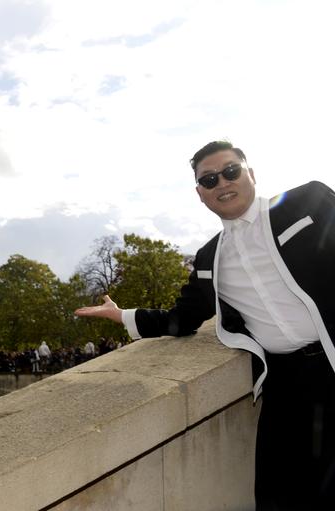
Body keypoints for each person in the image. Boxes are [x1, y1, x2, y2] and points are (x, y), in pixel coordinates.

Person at [74, 140, 335, 510]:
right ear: (201, 194)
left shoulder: (308, 201)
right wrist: (122, 315)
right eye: (209, 180)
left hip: (332, 359)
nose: (222, 184)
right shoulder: (209, 257)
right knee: (279, 491)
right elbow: (182, 319)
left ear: (251, 174)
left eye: (231, 171)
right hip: (285, 384)